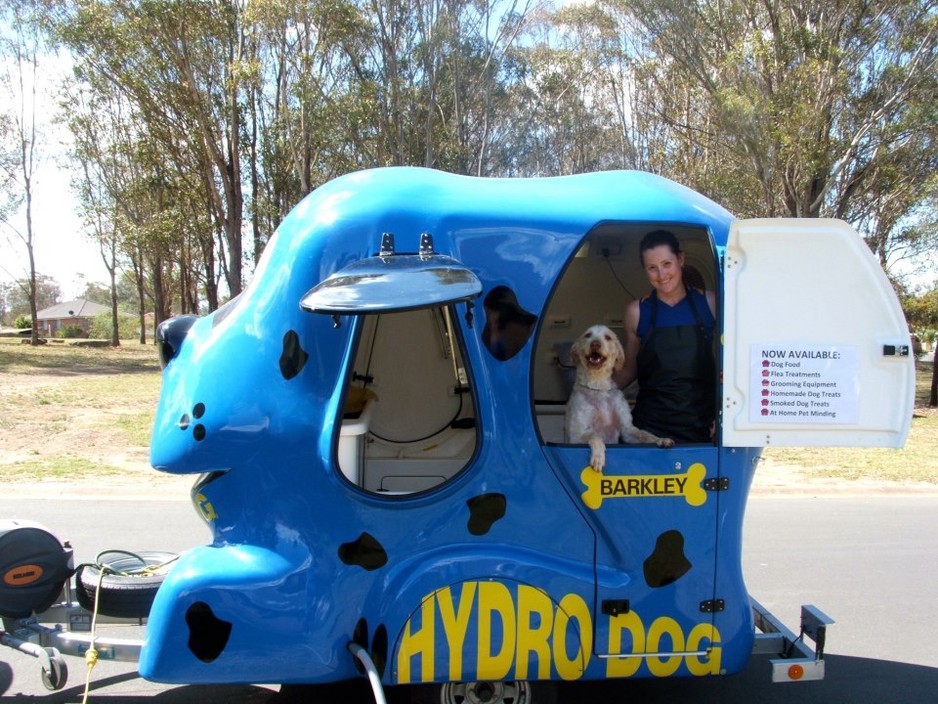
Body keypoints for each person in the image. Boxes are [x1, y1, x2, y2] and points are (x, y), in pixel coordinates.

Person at [617, 230, 717, 443]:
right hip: (650, 428)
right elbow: (629, 370)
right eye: (652, 268)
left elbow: (732, 366)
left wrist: (725, 417)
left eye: (666, 264)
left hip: (700, 426)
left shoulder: (710, 303)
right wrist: (590, 393)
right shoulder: (636, 311)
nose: (661, 275)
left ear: (680, 260)